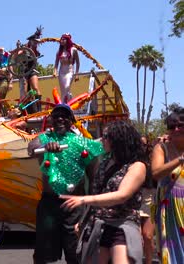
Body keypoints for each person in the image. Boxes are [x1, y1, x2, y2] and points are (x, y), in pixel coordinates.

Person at [61, 121, 147, 264]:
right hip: (99, 224)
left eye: (106, 136)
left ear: (118, 140)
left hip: (122, 225)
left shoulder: (137, 166)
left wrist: (84, 200)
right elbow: (99, 192)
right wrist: (83, 220)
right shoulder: (105, 163)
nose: (102, 139)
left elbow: (122, 195)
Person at [27, 104, 103, 264]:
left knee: (75, 251)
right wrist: (45, 148)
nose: (60, 118)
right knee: (42, 254)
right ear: (51, 120)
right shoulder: (44, 138)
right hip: (49, 203)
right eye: (56, 116)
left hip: (75, 205)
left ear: (71, 121)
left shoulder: (83, 143)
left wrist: (93, 207)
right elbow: (31, 148)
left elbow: (94, 177)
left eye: (65, 116)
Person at [151, 107, 184, 264]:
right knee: (172, 254)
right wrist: (180, 160)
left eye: (180, 125)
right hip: (169, 208)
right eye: (172, 126)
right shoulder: (161, 147)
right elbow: (156, 173)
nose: (176, 129)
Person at [139, 135, 156, 264]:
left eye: (144, 145)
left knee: (148, 236)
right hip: (134, 200)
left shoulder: (153, 160)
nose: (141, 147)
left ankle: (149, 262)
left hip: (151, 198)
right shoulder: (131, 160)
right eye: (139, 144)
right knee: (137, 237)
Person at [53, 33, 80, 103]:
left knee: (67, 87)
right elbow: (56, 64)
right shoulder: (59, 52)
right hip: (61, 72)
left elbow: (78, 63)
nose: (61, 41)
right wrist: (55, 71)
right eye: (61, 39)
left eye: (63, 39)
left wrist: (77, 74)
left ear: (67, 40)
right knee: (63, 91)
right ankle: (65, 105)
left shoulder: (73, 50)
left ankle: (70, 102)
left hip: (69, 71)